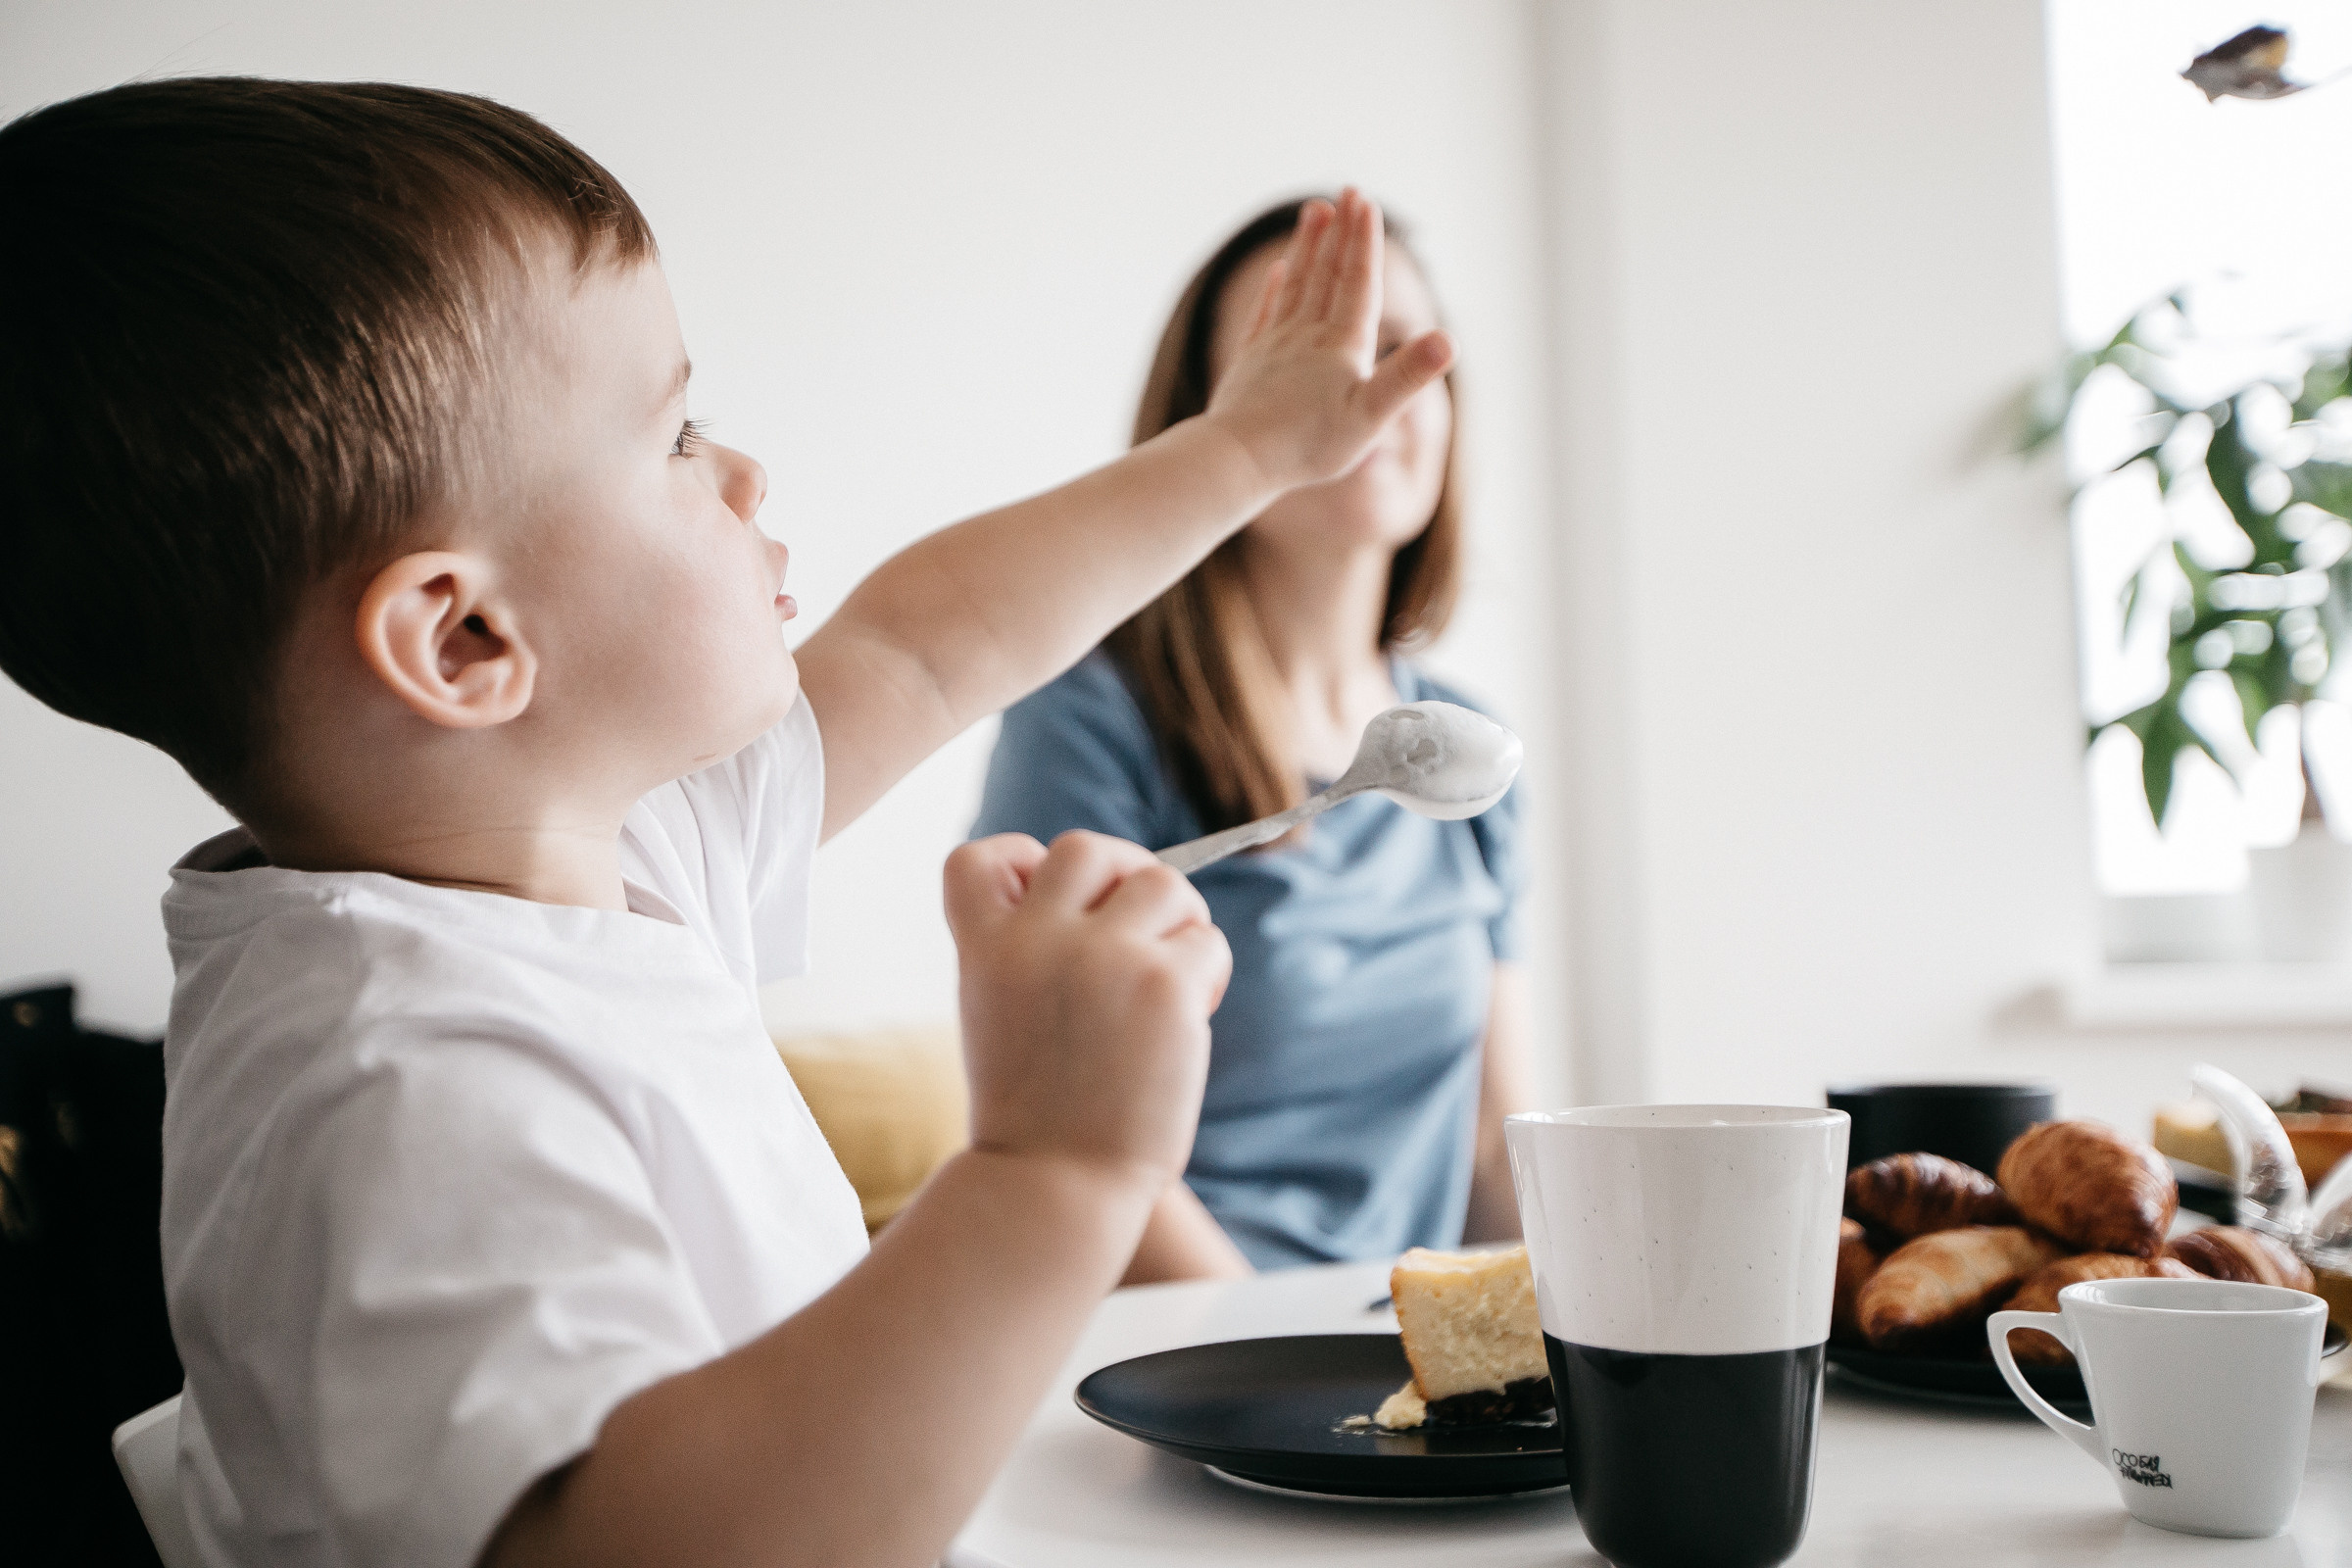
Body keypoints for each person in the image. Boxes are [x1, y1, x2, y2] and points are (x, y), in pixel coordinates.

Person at [0, 82, 1451, 1568]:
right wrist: (1050, 1173)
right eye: (677, 435)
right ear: (466, 644)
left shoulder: (593, 848)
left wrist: (1249, 454)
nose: (746, 470)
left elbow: (927, 647)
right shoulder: (400, 1079)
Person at [974, 199, 1530, 1280]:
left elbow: (1496, 1140)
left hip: (1387, 1362)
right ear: (1205, 420)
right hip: (1177, 1344)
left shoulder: (1473, 752)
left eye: (1405, 349)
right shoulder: (1091, 718)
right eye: (1310, 349)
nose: (1371, 388)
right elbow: (1074, 1143)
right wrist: (1270, 1355)